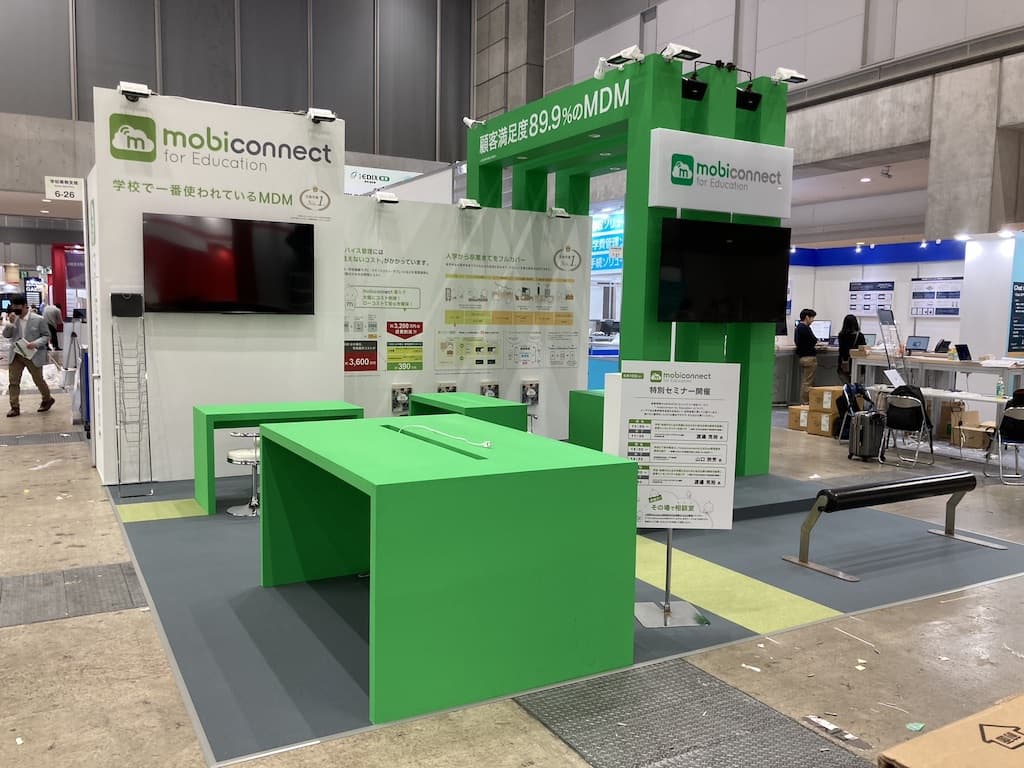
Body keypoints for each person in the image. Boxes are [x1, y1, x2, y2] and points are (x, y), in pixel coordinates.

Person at [3, 294, 54, 417]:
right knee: (13, 381)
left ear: (25, 306)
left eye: (17, 307)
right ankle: (14, 407)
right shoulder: (13, 319)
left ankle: (47, 399)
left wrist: (35, 343)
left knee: (38, 380)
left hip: (32, 354)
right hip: (16, 354)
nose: (15, 309)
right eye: (13, 306)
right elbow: (6, 335)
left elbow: (47, 336)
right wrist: (10, 324)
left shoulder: (38, 319)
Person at [794, 308, 818, 405]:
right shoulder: (805, 328)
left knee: (806, 381)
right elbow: (814, 340)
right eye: (812, 318)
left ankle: (805, 402)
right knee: (808, 382)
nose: (813, 320)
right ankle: (805, 403)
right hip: (809, 358)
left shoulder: (798, 328)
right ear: (807, 317)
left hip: (802, 357)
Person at [836, 313, 866, 385]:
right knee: (856, 385)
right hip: (857, 364)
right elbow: (863, 349)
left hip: (844, 364)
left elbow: (841, 350)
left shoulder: (841, 335)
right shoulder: (860, 335)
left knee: (846, 385)